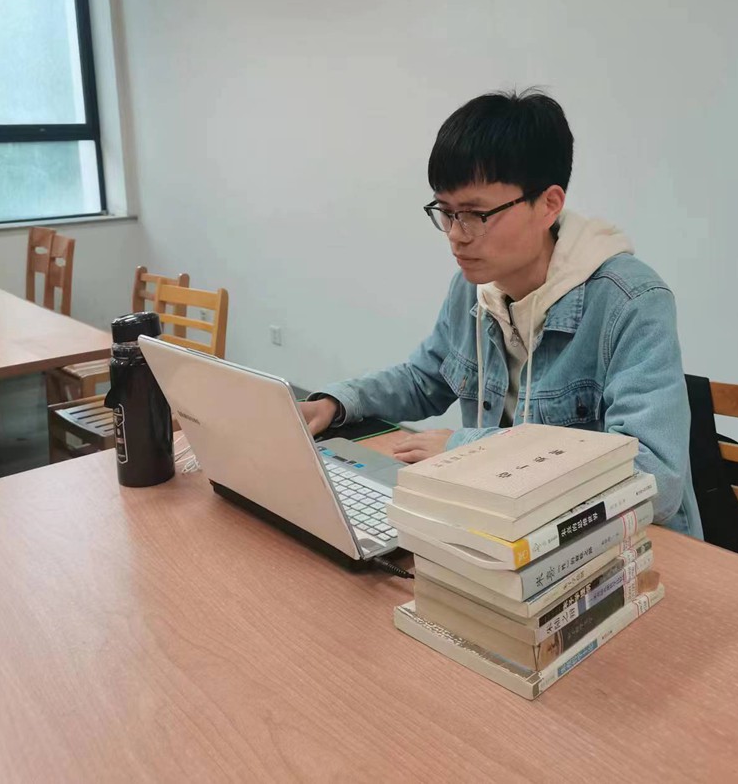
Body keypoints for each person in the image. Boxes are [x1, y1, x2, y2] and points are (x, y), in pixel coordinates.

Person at [299, 89, 702, 537]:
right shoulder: (475, 287)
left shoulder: (631, 301)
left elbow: (653, 477)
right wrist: (338, 402)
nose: (456, 235)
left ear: (548, 204)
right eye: (446, 212)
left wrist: (467, 450)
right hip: (505, 526)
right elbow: (424, 378)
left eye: (475, 214)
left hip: (623, 545)